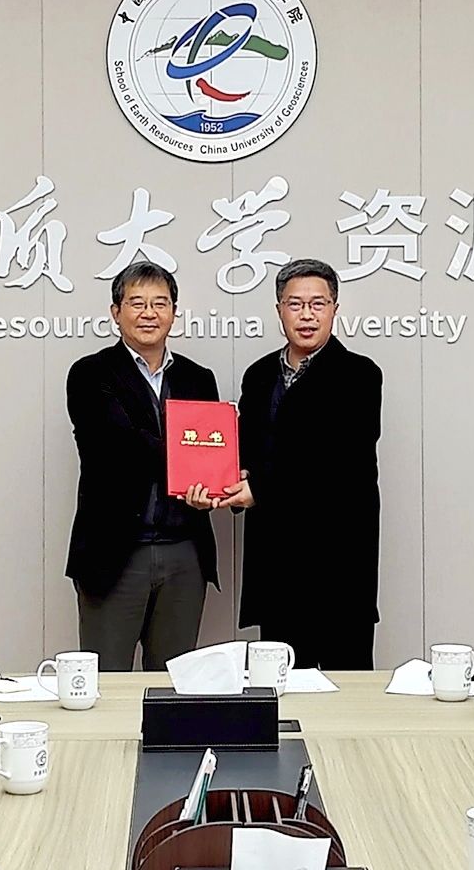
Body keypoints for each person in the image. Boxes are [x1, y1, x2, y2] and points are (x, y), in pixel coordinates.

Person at [191, 258, 383, 670]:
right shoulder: (259, 375)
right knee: (280, 685)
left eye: (318, 304)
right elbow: (247, 452)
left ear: (335, 309)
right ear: (279, 310)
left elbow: (340, 461)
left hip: (337, 566)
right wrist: (221, 482)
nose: (307, 315)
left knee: (344, 689)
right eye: (295, 304)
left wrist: (259, 489)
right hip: (275, 565)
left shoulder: (360, 376)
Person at [65, 261, 222, 671]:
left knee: (174, 684)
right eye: (137, 303)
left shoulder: (198, 378)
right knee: (107, 680)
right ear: (116, 312)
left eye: (160, 303)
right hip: (115, 553)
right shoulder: (90, 373)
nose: (149, 313)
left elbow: (211, 452)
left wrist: (215, 479)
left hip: (184, 551)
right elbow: (118, 445)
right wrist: (196, 452)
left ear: (174, 312)